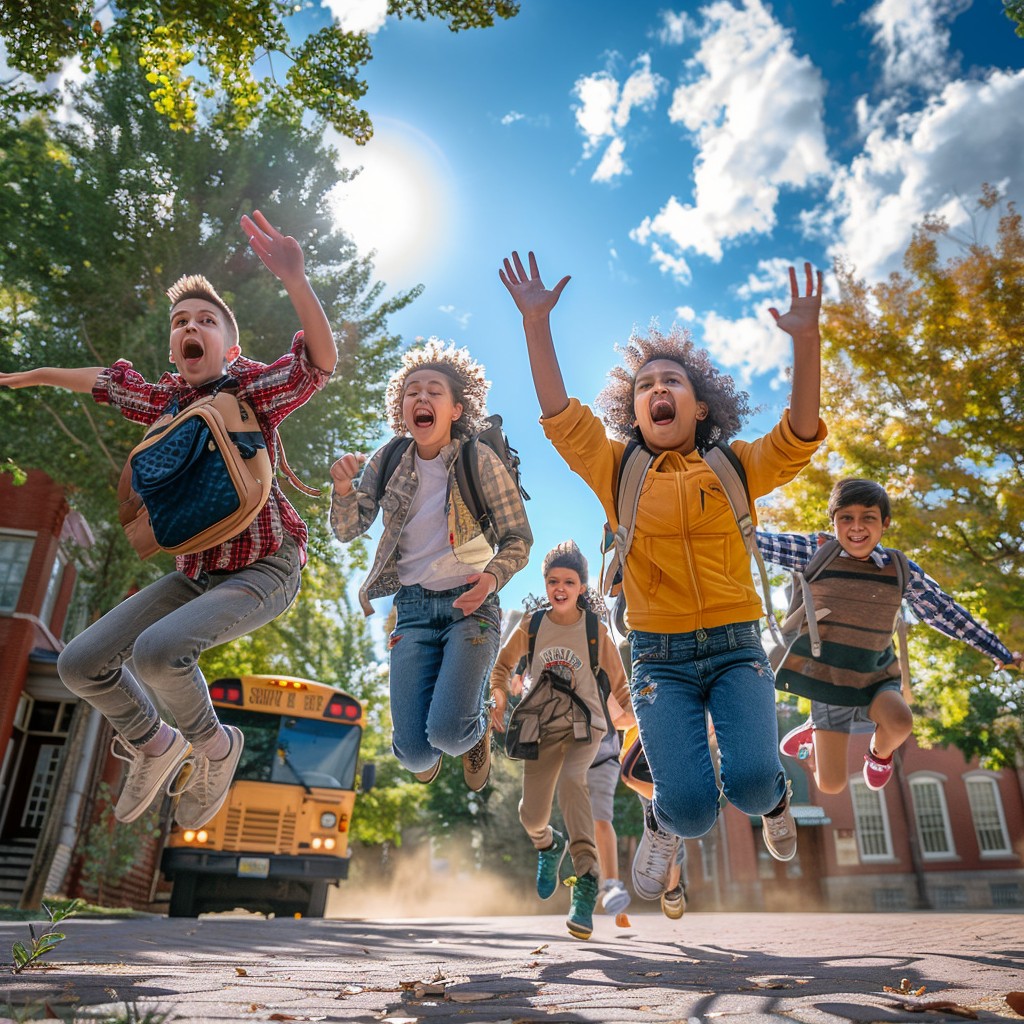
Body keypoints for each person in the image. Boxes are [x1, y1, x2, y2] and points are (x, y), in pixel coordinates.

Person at [499, 249, 826, 901]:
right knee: (692, 808)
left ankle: (776, 802)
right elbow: (562, 418)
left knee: (757, 784)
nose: (657, 390)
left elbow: (798, 435)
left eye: (672, 380)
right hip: (659, 660)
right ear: (634, 407)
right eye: (645, 384)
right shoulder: (617, 469)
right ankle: (665, 821)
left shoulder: (732, 467)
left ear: (700, 406)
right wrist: (537, 323)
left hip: (737, 649)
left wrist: (807, 340)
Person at [0, 210, 337, 829]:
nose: (191, 327)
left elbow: (318, 363)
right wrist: (40, 375)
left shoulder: (250, 388)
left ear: (228, 347)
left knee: (158, 654)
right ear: (174, 348)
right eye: (181, 322)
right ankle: (155, 745)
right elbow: (103, 381)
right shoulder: (165, 400)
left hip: (266, 566)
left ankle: (216, 747)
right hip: (196, 574)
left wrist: (296, 281)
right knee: (80, 664)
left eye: (205, 321)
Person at [330, 339, 531, 792]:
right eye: (412, 391)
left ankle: (475, 732)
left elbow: (519, 538)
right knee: (414, 754)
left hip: (471, 607)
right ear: (401, 408)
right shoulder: (388, 460)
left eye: (434, 391)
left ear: (457, 409)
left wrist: (493, 578)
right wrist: (344, 491)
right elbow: (348, 529)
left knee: (449, 734)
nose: (421, 398)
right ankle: (448, 741)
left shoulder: (479, 460)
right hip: (414, 609)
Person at [761, 478, 1022, 794]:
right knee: (831, 786)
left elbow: (947, 613)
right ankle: (814, 736)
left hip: (876, 672)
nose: (857, 527)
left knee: (900, 722)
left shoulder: (899, 568)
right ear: (834, 522)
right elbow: (759, 542)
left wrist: (999, 652)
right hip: (828, 678)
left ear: (884, 523)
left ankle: (877, 756)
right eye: (846, 518)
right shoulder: (815, 552)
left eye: (868, 517)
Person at [489, 541, 633, 940]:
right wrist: (498, 698)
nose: (560, 587)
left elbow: (621, 687)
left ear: (582, 587)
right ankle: (548, 846)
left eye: (569, 581)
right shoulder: (532, 625)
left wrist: (635, 721)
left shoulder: (594, 630)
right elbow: (502, 667)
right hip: (543, 727)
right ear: (546, 584)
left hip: (586, 727)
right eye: (553, 581)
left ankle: (586, 881)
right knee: (532, 815)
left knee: (573, 782)